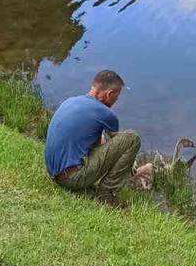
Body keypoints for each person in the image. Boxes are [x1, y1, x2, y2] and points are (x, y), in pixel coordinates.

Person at [45, 70, 141, 205]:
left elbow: (98, 144)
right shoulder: (106, 114)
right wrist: (130, 162)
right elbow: (119, 144)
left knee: (102, 136)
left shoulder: (71, 101)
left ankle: (96, 185)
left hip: (54, 173)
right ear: (109, 94)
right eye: (117, 96)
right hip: (71, 179)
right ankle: (106, 194)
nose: (116, 100)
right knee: (133, 138)